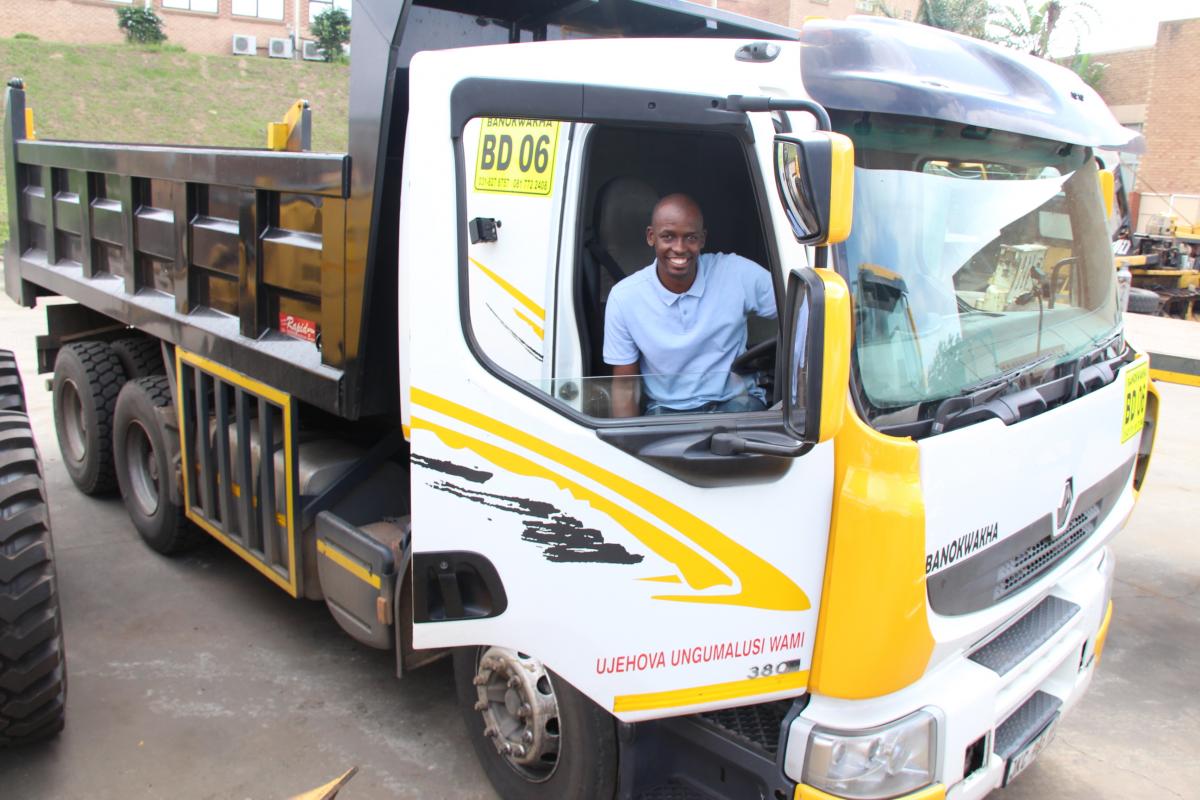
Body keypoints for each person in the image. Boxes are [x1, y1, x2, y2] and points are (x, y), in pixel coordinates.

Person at [603, 193, 777, 417]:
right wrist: (623, 444)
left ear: (702, 239)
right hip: (667, 412)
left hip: (737, 404)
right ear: (651, 236)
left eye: (690, 238)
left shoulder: (736, 273)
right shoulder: (624, 298)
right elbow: (626, 385)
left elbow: (803, 307)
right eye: (668, 236)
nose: (679, 248)